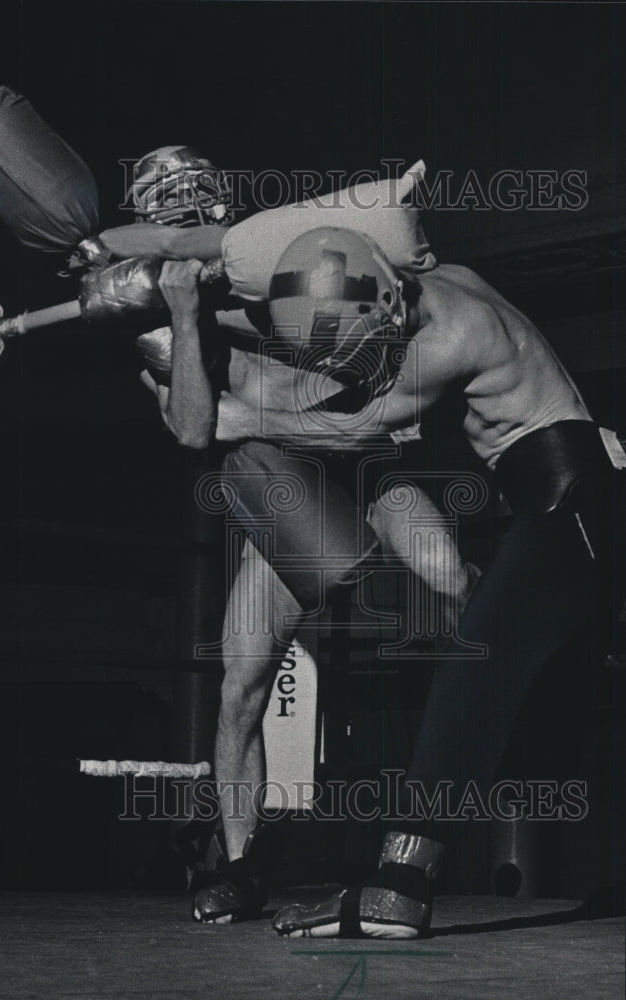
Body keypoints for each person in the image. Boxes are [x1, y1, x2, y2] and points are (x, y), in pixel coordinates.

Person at [201, 224, 626, 938]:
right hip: (579, 499)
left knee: (473, 674)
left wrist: (231, 416)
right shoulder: (442, 277)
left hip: (570, 503)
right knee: (567, 699)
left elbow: (353, 430)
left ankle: (398, 885)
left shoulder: (452, 335)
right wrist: (174, 296)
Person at [115, 154, 477, 924]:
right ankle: (239, 865)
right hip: (290, 488)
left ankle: (449, 808)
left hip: (372, 464)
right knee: (240, 682)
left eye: (198, 198)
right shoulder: (161, 320)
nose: (191, 212)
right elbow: (189, 430)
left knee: (450, 583)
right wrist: (183, 317)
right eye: (170, 207)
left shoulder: (270, 256)